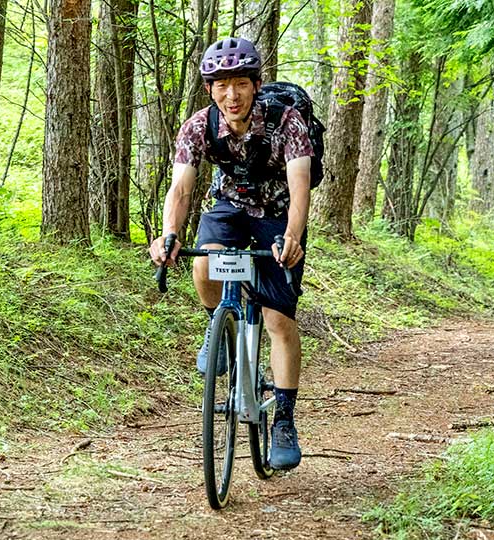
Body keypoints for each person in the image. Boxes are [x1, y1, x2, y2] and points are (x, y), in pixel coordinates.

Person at [149, 37, 313, 471]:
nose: (232, 95)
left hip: (278, 214)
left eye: (240, 83)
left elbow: (300, 188)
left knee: (278, 320)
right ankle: (218, 328)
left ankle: (284, 420)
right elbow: (180, 189)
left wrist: (292, 236)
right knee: (203, 263)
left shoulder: (287, 121)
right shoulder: (198, 126)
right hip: (228, 207)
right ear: (210, 89)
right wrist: (169, 234)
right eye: (221, 85)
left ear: (256, 85)